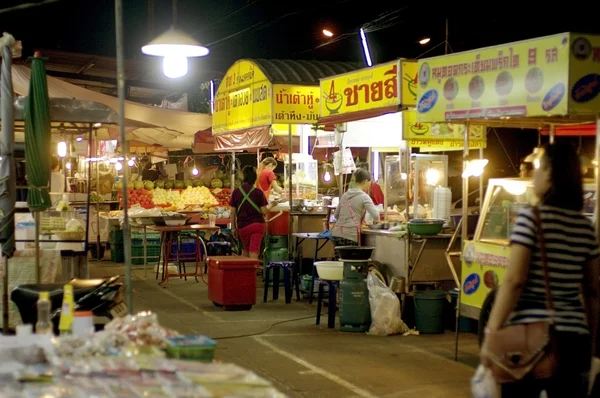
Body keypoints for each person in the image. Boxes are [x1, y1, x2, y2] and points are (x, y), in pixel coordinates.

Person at [481, 143, 600, 397]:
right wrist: (589, 341)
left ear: (549, 174)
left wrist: (492, 331)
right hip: (574, 340)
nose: (532, 175)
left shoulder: (531, 218)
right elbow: (592, 291)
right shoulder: (585, 228)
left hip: (530, 339)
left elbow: (514, 281)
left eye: (536, 168)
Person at [230, 165, 279, 259]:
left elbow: (232, 213)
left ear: (243, 177)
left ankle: (245, 272)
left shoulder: (236, 192)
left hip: (243, 226)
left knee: (245, 250)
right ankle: (253, 272)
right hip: (257, 225)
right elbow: (264, 211)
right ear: (254, 178)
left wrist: (233, 228)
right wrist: (273, 204)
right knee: (254, 250)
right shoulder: (258, 192)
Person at [331, 169, 380, 246]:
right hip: (350, 235)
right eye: (369, 182)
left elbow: (336, 215)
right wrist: (375, 222)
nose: (369, 185)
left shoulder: (345, 195)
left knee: (340, 258)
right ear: (365, 181)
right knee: (350, 258)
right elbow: (376, 215)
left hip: (336, 234)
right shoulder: (364, 197)